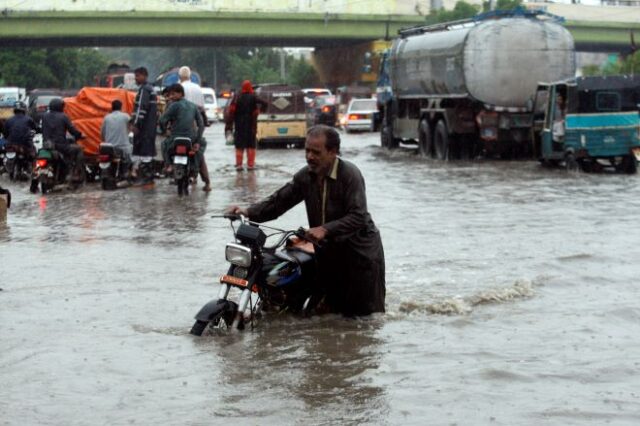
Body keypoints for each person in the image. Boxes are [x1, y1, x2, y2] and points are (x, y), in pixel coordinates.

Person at [227, 125, 386, 316]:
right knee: (326, 312)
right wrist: (247, 211)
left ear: (332, 152)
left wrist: (325, 229)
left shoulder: (349, 175)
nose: (310, 156)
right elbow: (279, 201)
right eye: (307, 151)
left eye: (316, 152)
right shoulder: (305, 176)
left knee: (366, 317)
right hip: (327, 250)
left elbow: (358, 216)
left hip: (360, 252)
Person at [159, 84, 205, 178]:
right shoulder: (193, 106)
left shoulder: (173, 105)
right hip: (191, 139)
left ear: (181, 94)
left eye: (173, 94)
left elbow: (162, 120)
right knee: (202, 145)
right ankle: (195, 169)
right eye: (170, 94)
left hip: (174, 138)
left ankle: (168, 165)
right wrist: (197, 140)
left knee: (163, 144)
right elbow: (201, 124)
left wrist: (165, 131)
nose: (171, 97)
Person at [179, 66, 211, 191]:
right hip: (196, 125)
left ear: (180, 77)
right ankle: (205, 181)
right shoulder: (197, 88)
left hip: (183, 125)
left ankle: (174, 170)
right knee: (198, 152)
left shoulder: (179, 88)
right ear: (190, 76)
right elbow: (202, 109)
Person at [225, 80, 266, 171]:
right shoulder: (253, 97)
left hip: (239, 126)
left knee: (239, 146)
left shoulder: (237, 97)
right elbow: (264, 102)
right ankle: (250, 165)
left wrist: (229, 126)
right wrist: (260, 111)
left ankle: (239, 165)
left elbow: (231, 112)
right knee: (251, 145)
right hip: (251, 126)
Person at [41, 98, 84, 180]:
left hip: (46, 145)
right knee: (79, 150)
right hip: (60, 146)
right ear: (60, 107)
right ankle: (76, 173)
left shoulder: (44, 116)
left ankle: (34, 185)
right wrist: (80, 135)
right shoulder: (63, 116)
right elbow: (72, 130)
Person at [130, 67, 157, 182]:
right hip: (151, 127)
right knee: (148, 151)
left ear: (144, 76)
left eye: (137, 76)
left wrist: (135, 124)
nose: (135, 79)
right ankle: (148, 177)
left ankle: (145, 177)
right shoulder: (151, 89)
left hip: (144, 127)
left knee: (143, 150)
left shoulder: (144, 90)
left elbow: (141, 108)